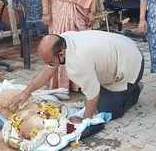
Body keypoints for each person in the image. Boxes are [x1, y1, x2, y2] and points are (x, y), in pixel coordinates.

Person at [9, 30, 144, 132]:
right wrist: (26, 92)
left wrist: (85, 121)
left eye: (49, 61)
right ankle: (122, 89)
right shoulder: (64, 40)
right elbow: (48, 70)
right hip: (124, 46)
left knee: (106, 110)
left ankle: (133, 89)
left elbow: (93, 94)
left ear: (61, 54)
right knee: (95, 99)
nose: (48, 64)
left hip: (132, 63)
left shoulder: (77, 63)